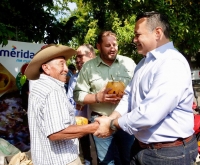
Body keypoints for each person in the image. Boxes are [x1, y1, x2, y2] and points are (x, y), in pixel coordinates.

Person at [94, 11, 198, 165]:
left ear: (157, 33)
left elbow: (151, 113)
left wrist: (112, 124)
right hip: (142, 148)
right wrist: (112, 117)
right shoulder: (144, 63)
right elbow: (129, 96)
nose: (134, 40)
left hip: (168, 153)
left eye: (138, 35)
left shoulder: (172, 62)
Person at [24, 44, 99, 165]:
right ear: (46, 68)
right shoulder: (53, 90)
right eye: (61, 64)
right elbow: (56, 133)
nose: (66, 69)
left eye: (65, 64)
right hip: (62, 160)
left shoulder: (38, 86)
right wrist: (94, 127)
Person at [73, 31, 136, 165]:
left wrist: (127, 95)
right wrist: (98, 97)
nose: (113, 48)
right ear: (99, 46)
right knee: (107, 162)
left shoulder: (129, 63)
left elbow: (139, 89)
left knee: (129, 159)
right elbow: (77, 95)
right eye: (108, 45)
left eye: (115, 44)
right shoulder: (88, 67)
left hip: (125, 120)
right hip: (100, 119)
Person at [67, 44, 96, 165]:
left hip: (98, 118)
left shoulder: (100, 74)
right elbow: (69, 99)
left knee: (102, 151)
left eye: (80, 57)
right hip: (81, 118)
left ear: (91, 55)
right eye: (76, 58)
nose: (77, 60)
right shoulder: (74, 78)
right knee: (85, 150)